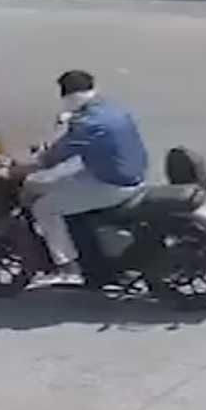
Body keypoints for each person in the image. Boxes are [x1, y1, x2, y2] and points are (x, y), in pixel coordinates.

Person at [26, 70, 148, 280]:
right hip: (129, 175)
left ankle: (68, 267)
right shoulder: (112, 109)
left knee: (44, 207)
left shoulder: (87, 124)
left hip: (112, 185)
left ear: (67, 96)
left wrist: (32, 163)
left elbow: (55, 156)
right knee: (66, 186)